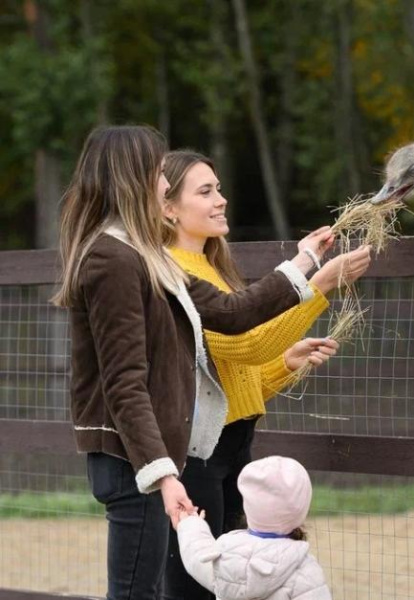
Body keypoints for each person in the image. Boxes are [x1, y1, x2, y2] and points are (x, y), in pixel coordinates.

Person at [53, 125, 370, 600]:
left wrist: (305, 262)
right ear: (134, 178)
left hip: (153, 454)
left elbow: (232, 313)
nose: (162, 182)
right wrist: (162, 476)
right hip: (132, 458)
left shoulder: (141, 256)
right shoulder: (114, 259)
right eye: (158, 172)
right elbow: (124, 382)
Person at [159, 150, 367, 600]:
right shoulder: (176, 272)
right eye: (205, 191)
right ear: (169, 208)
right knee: (191, 586)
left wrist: (283, 365)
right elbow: (245, 343)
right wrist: (320, 285)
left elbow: (232, 369)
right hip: (198, 452)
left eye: (219, 188)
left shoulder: (212, 269)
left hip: (235, 445)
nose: (221, 200)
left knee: (230, 581)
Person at [176, 456, 331, 600]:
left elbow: (197, 553)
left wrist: (190, 524)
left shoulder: (226, 555)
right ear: (300, 509)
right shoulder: (304, 571)